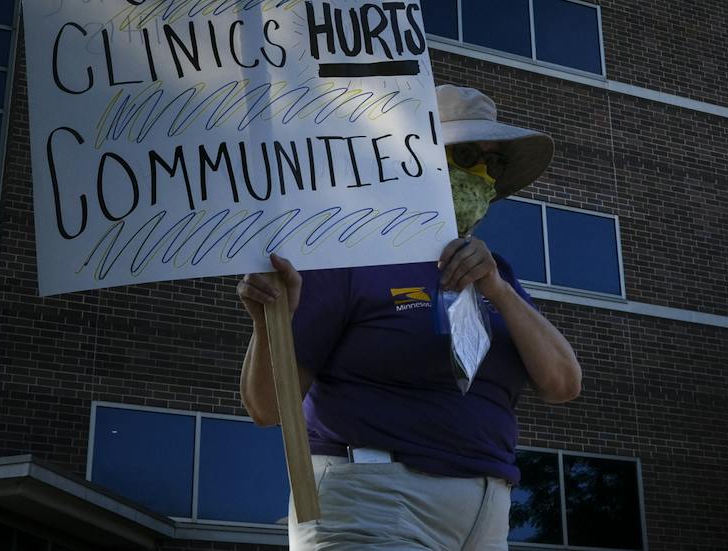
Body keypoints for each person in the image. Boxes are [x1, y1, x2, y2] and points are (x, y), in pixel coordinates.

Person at [236, 84, 582, 550]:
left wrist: (497, 288)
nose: (481, 172)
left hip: (488, 513)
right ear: (412, 161)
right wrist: (267, 322)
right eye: (464, 155)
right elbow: (268, 409)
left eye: (493, 162)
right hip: (375, 501)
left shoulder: (496, 273)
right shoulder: (349, 258)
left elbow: (563, 383)